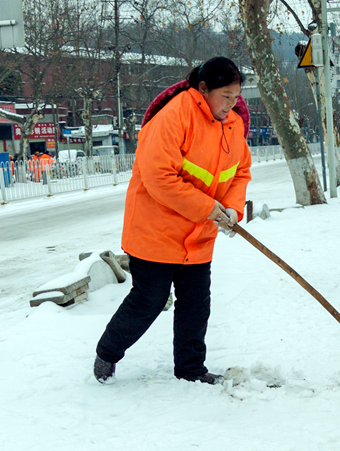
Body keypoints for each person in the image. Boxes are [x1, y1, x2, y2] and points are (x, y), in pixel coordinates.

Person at [93, 57, 251, 384]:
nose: (231, 103)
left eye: (236, 96)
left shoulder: (233, 125)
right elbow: (158, 177)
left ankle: (191, 368)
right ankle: (108, 352)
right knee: (149, 300)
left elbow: (240, 172)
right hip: (156, 231)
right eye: (225, 96)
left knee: (196, 304)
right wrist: (208, 207)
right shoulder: (175, 116)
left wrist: (232, 209)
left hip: (199, 235)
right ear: (203, 89)